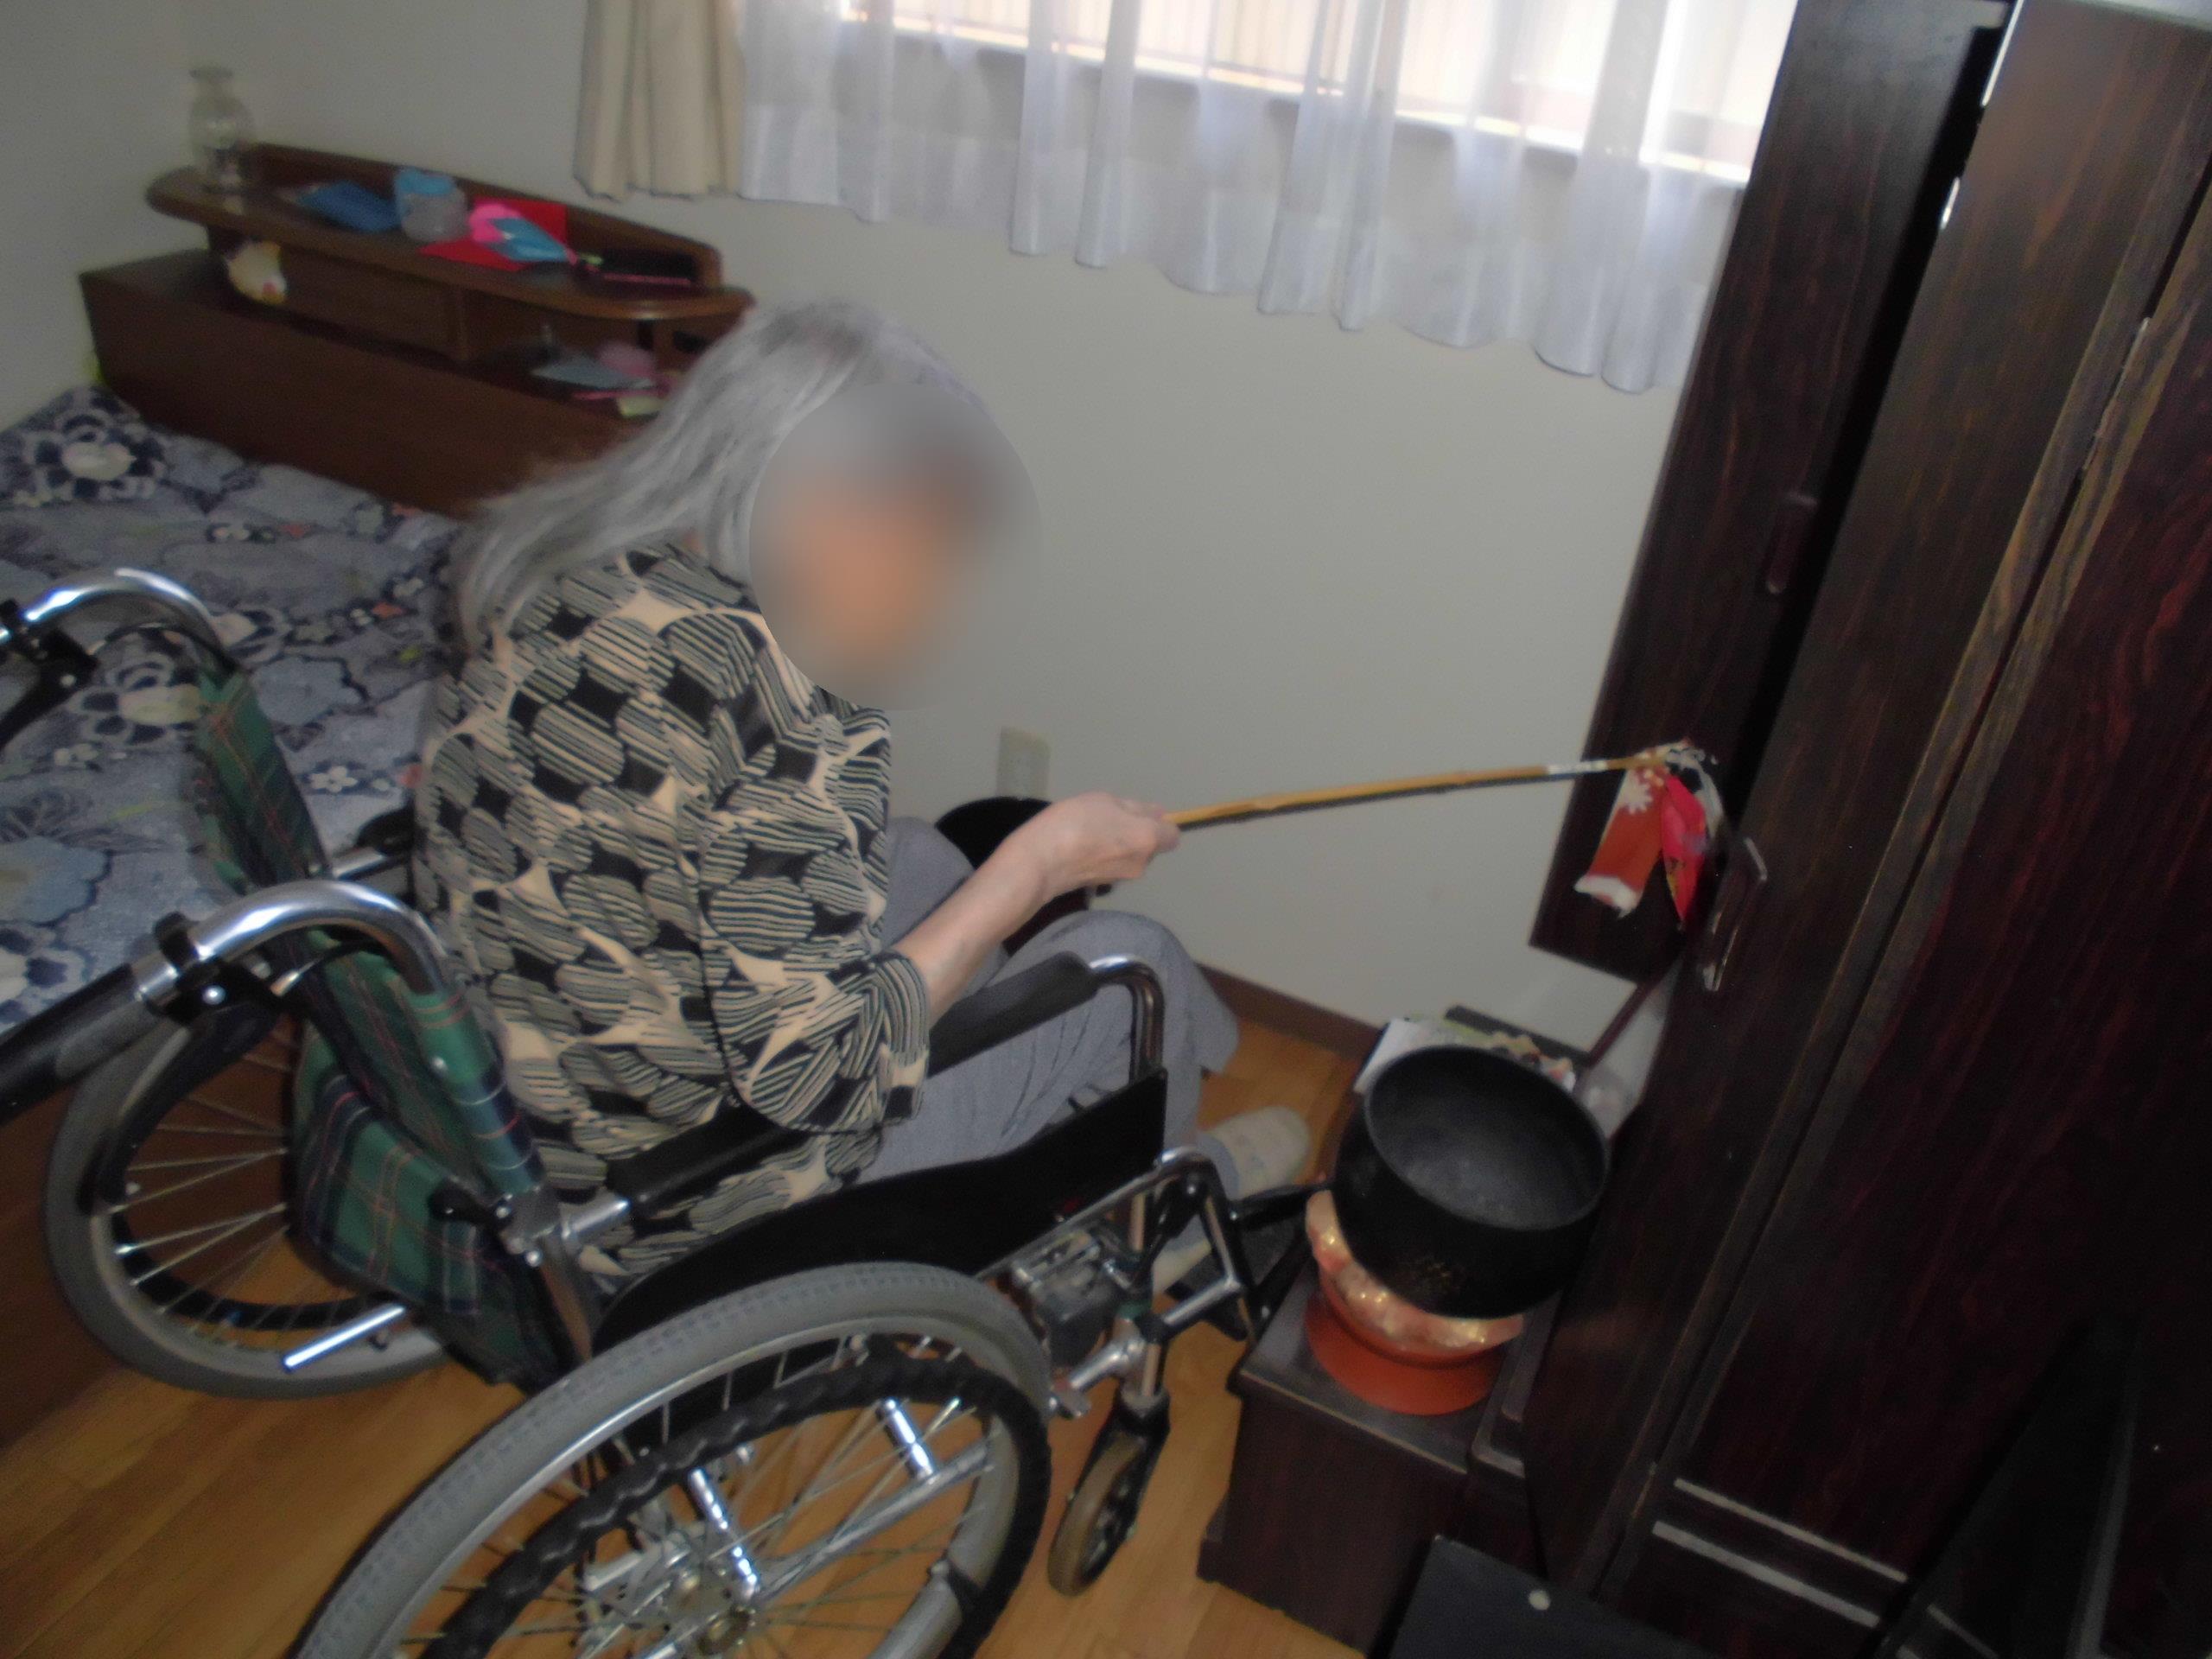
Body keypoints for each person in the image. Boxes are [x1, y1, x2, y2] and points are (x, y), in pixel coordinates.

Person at [415, 300, 1304, 1279]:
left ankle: (1119, 1087)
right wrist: (1036, 867)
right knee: (1131, 962)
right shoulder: (787, 702)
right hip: (702, 1209)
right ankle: (1158, 1222)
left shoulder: (565, 574)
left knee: (921, 855)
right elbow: (814, 1080)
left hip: (542, 1117)